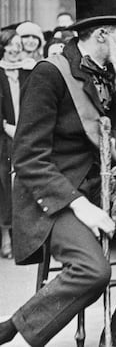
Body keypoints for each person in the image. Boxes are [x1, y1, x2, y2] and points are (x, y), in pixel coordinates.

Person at [0, 0, 116, 347]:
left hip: (102, 189)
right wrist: (80, 206)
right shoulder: (50, 73)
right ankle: (16, 333)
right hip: (53, 201)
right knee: (94, 271)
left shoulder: (108, 72)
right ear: (102, 34)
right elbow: (27, 157)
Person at [0, 30, 33, 260]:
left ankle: (26, 239)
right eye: (10, 45)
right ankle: (5, 237)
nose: (14, 49)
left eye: (17, 44)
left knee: (26, 185)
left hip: (26, 134)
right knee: (5, 186)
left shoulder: (27, 71)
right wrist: (6, 127)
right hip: (3, 137)